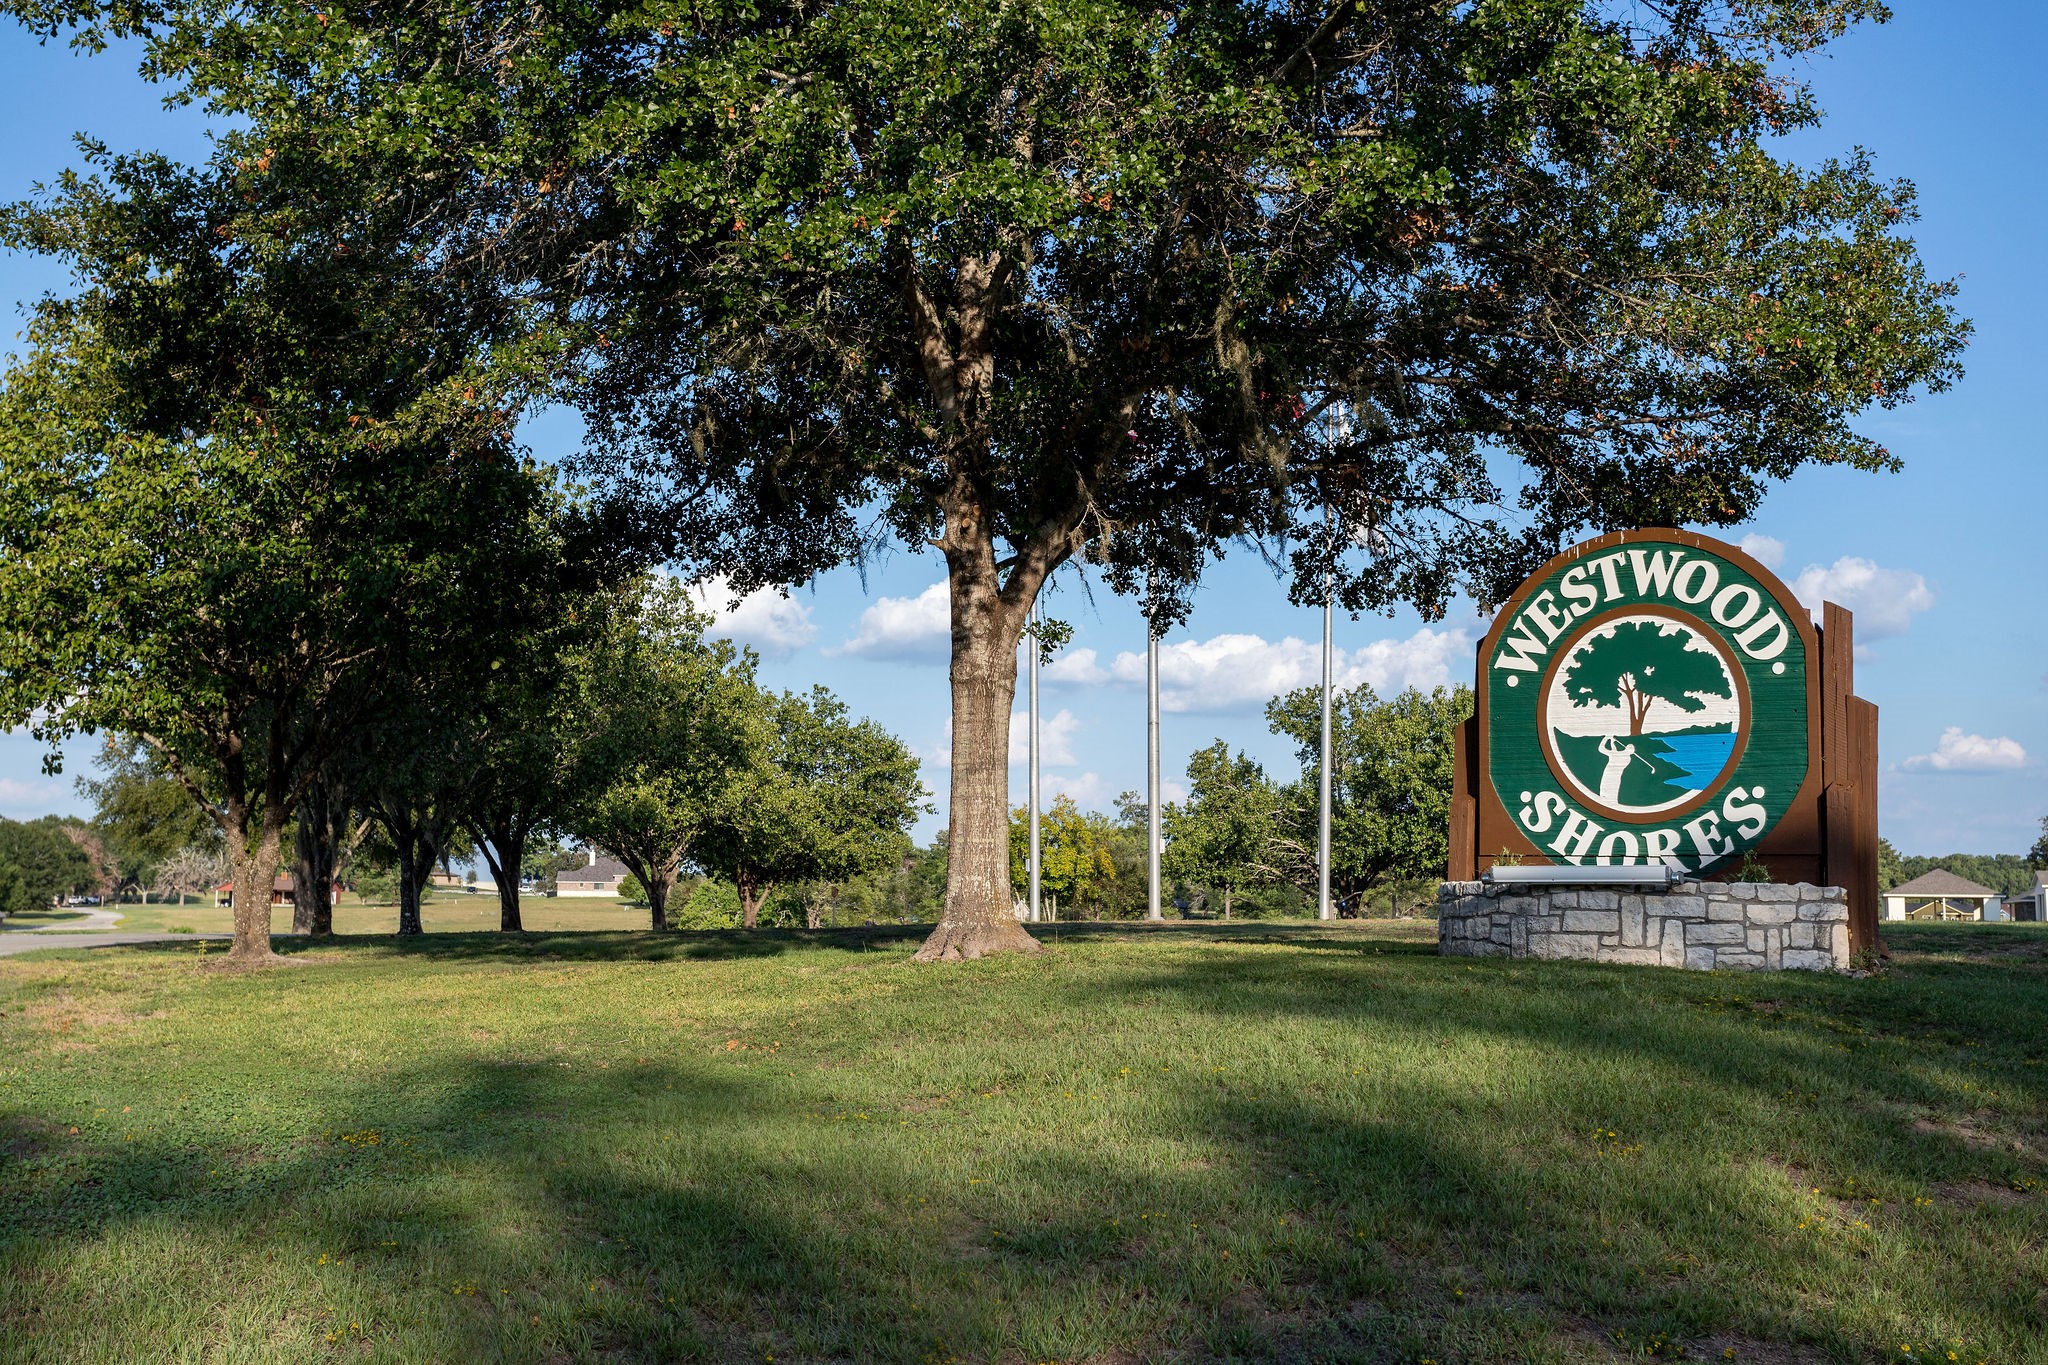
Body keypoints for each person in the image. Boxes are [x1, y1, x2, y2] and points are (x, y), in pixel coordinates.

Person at [1596, 734, 1638, 806]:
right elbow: (1615, 752)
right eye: (1629, 746)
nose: (1628, 747)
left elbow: (1601, 749)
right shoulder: (1626, 757)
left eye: (1630, 747)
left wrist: (1607, 738)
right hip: (1613, 776)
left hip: (1611, 775)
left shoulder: (1625, 757)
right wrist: (1612, 742)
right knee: (1607, 791)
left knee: (1608, 791)